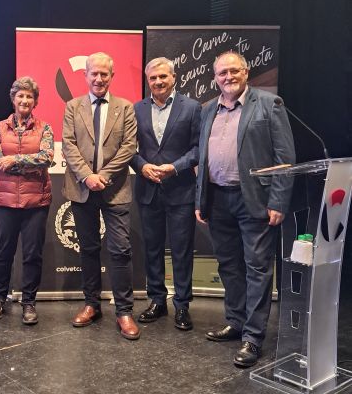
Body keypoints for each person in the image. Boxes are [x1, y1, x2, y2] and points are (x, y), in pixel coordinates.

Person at [196, 51, 295, 368]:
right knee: (229, 266)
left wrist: (278, 201)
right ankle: (235, 322)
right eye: (222, 73)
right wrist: (201, 199)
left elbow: (284, 158)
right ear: (215, 78)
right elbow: (203, 156)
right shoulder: (208, 109)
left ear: (246, 72)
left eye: (233, 71)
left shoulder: (269, 105)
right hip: (218, 199)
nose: (228, 77)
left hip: (254, 199)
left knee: (257, 269)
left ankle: (252, 337)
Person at [62, 52, 139, 340]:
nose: (98, 78)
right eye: (93, 73)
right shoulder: (72, 107)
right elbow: (69, 145)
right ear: (85, 75)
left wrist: (103, 176)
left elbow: (129, 147)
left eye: (104, 74)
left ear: (111, 76)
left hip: (115, 189)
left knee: (120, 250)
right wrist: (87, 176)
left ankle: (124, 311)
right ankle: (91, 304)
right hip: (81, 189)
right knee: (89, 249)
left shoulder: (125, 108)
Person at [131, 57, 201, 331]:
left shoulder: (193, 108)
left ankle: (182, 305)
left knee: (182, 251)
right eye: (153, 78)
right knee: (152, 249)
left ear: (174, 78)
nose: (158, 82)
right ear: (147, 81)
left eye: (163, 77)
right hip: (148, 190)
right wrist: (142, 166)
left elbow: (198, 149)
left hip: (181, 190)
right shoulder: (136, 109)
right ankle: (157, 301)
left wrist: (175, 167)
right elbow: (129, 149)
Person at [0, 77, 54, 325]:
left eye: (29, 96)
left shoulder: (44, 128)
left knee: (32, 255)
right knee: (3, 254)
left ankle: (29, 302)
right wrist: (28, 162)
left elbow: (47, 157)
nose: (24, 100)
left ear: (35, 101)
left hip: (36, 202)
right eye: (20, 96)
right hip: (5, 201)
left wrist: (14, 160)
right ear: (13, 99)